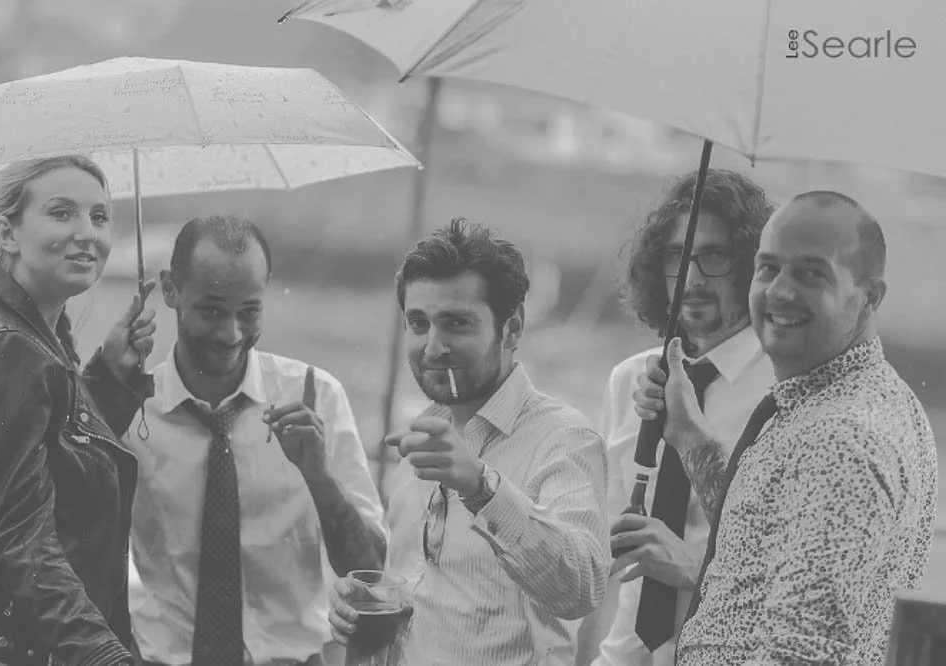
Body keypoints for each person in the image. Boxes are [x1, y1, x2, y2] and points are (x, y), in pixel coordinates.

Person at [634, 191, 938, 664]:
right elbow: (763, 529)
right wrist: (689, 436)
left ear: (869, 297)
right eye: (768, 267)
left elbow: (802, 654)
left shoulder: (842, 438)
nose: (780, 292)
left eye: (812, 273)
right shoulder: (839, 398)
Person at [328, 218, 610, 665]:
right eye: (418, 323)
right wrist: (364, 598)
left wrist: (481, 487)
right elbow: (417, 592)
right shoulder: (420, 439)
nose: (432, 346)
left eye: (456, 323)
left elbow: (582, 586)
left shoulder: (563, 439)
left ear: (512, 328)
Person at [125, 215, 386, 666]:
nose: (231, 334)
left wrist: (318, 475)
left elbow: (369, 573)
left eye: (249, 312)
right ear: (169, 290)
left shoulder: (315, 395)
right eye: (211, 311)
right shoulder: (130, 410)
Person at [0, 155, 157, 665]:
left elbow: (45, 455)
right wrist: (106, 658)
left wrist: (110, 377)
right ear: (8, 232)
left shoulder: (26, 328)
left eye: (100, 216)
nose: (89, 234)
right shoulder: (5, 345)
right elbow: (19, 537)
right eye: (62, 213)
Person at [576, 170, 776, 666]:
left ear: (754, 265)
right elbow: (611, 563)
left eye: (714, 256)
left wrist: (692, 566)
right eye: (676, 256)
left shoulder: (781, 393)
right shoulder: (629, 382)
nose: (691, 279)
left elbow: (785, 574)